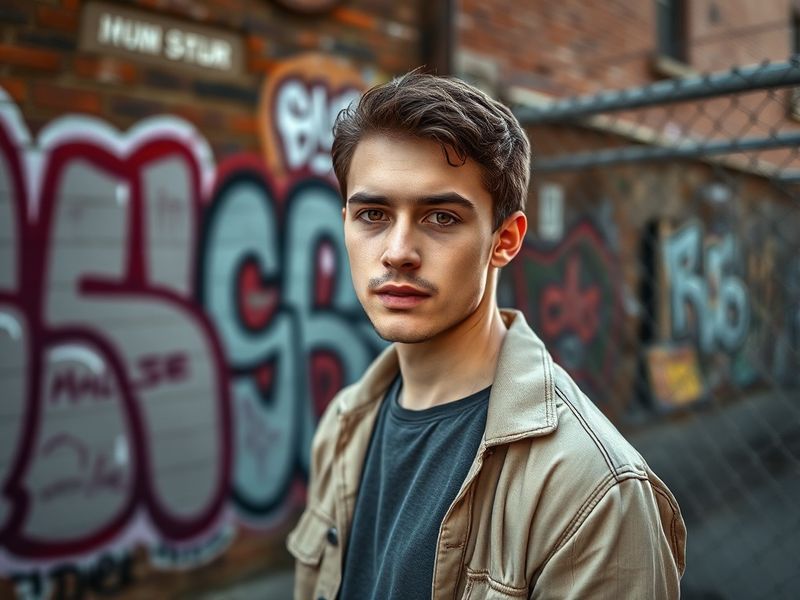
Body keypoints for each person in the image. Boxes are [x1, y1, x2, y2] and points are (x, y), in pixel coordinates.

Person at [287, 71, 686, 600]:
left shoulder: (591, 490)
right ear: (345, 224)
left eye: (441, 216)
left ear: (505, 240)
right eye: (373, 215)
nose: (398, 250)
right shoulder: (341, 428)